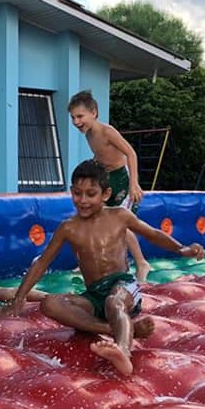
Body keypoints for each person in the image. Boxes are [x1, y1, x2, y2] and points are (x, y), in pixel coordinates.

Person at [6, 159, 205, 376]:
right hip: (94, 295)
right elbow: (42, 262)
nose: (83, 200)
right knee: (50, 304)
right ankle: (120, 329)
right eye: (77, 193)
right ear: (71, 191)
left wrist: (182, 249)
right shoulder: (69, 228)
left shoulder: (119, 216)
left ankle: (123, 353)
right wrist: (19, 297)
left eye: (91, 194)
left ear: (106, 194)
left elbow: (153, 234)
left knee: (114, 301)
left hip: (123, 286)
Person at [68, 90, 152, 283]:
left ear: (94, 112)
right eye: (73, 117)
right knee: (96, 219)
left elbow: (131, 153)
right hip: (107, 179)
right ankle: (95, 262)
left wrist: (134, 183)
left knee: (120, 223)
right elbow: (101, 155)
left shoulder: (107, 131)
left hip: (122, 179)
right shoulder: (89, 135)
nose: (76, 122)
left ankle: (141, 263)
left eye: (80, 116)